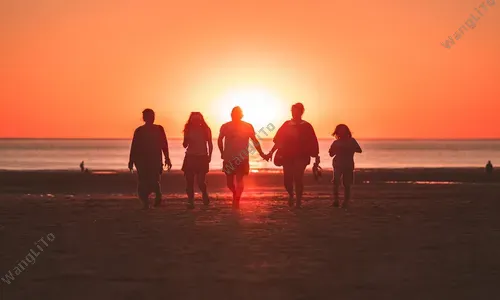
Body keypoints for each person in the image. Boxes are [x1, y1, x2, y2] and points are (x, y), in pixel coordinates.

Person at [266, 103, 320, 208]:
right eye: (293, 111)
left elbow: (313, 141)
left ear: (301, 112)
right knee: (287, 180)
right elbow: (279, 141)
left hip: (302, 156)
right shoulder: (286, 124)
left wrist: (316, 156)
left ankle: (298, 201)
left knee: (298, 178)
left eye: (297, 111)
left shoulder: (307, 126)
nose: (294, 113)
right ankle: (291, 195)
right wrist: (271, 152)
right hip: (287, 156)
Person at [218, 106, 269, 208]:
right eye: (234, 114)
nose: (235, 116)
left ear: (241, 115)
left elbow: (254, 141)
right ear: (231, 115)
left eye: (237, 114)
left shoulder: (247, 126)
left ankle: (237, 199)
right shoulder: (225, 126)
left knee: (239, 179)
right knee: (229, 183)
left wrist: (261, 153)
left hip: (242, 157)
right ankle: (235, 193)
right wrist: (222, 152)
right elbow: (219, 139)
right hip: (229, 157)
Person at [128, 109, 172, 209]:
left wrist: (167, 158)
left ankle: (153, 198)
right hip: (143, 160)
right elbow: (134, 146)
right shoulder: (139, 130)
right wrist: (131, 160)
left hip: (152, 160)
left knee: (150, 180)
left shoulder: (158, 129)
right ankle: (147, 202)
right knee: (146, 181)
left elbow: (164, 144)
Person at [182, 112, 213, 209]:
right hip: (190, 156)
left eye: (198, 119)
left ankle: (204, 193)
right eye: (194, 119)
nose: (196, 121)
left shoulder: (205, 130)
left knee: (200, 181)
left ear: (201, 120)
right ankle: (190, 201)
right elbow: (184, 145)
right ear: (191, 120)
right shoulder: (188, 129)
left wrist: (209, 156)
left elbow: (210, 144)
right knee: (189, 181)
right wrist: (186, 139)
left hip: (202, 157)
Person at [329, 124, 362, 209]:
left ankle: (346, 201)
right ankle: (336, 200)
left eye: (343, 130)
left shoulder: (351, 141)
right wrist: (337, 150)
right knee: (336, 182)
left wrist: (349, 148)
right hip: (338, 164)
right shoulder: (336, 142)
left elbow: (359, 150)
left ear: (347, 131)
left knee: (347, 184)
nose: (342, 132)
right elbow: (331, 154)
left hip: (348, 164)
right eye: (340, 130)